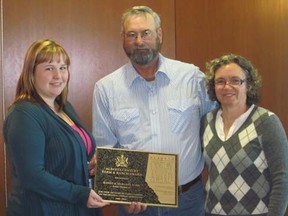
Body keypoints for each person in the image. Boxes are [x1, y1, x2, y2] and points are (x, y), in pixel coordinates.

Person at [92, 6, 216, 216]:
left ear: (159, 34)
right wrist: (124, 192)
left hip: (187, 200)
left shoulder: (191, 77)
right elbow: (107, 148)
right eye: (132, 34)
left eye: (146, 33)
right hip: (137, 203)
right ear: (123, 38)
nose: (139, 41)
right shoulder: (106, 88)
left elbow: (219, 121)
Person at [3, 39, 108, 216]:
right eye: (49, 68)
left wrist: (89, 166)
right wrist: (80, 194)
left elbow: (66, 160)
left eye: (63, 68)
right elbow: (33, 176)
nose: (58, 76)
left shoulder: (65, 108)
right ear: (31, 73)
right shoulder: (24, 113)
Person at [201, 54, 288, 216]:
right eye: (220, 81)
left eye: (235, 80)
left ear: (248, 85)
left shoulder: (266, 122)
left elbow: (282, 179)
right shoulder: (207, 121)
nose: (227, 87)